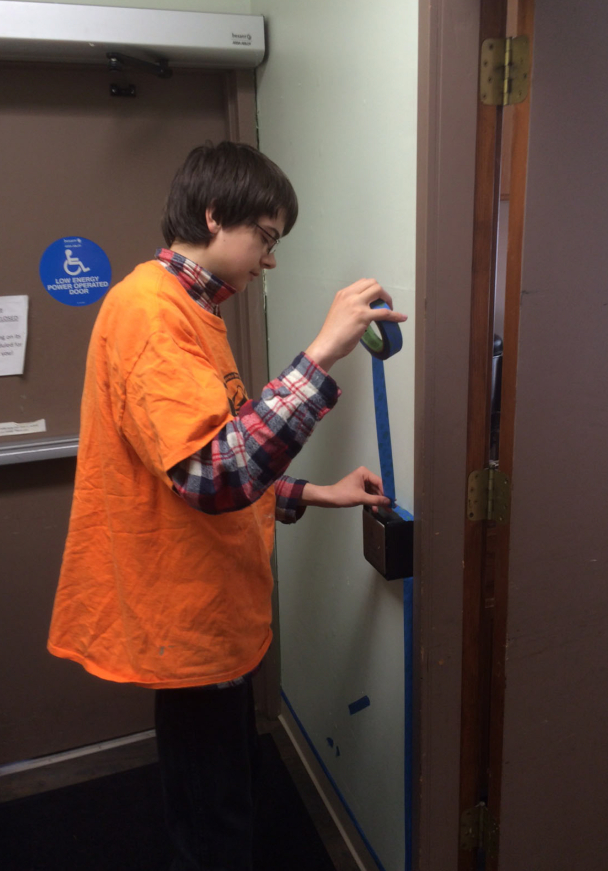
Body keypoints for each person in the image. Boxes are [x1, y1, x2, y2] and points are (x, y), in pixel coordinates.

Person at [47, 141, 407, 871]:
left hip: (208, 610)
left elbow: (204, 454)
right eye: (265, 238)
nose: (269, 260)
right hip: (188, 617)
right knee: (215, 823)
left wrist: (314, 492)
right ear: (215, 216)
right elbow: (214, 477)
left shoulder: (190, 310)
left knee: (217, 791)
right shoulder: (151, 312)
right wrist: (320, 355)